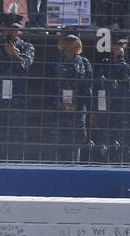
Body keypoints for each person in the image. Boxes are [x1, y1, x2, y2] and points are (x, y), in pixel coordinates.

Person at [0, 12, 33, 161]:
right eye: (9, 28)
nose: (12, 32)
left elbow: (25, 66)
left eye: (15, 29)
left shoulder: (26, 47)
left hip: (17, 103)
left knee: (16, 142)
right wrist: (7, 54)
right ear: (3, 28)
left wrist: (14, 55)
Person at [93, 31, 130, 164]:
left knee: (128, 147)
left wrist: (120, 60)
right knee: (106, 146)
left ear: (126, 45)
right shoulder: (104, 63)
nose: (118, 47)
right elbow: (98, 86)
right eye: (116, 44)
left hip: (128, 112)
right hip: (108, 111)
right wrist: (95, 110)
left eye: (121, 44)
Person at [45, 27, 92, 163]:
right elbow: (48, 87)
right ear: (62, 42)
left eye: (73, 40)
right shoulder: (52, 61)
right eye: (67, 39)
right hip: (56, 116)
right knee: (53, 157)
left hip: (76, 117)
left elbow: (87, 89)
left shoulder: (84, 63)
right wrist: (58, 104)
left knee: (73, 157)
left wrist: (77, 105)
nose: (70, 43)